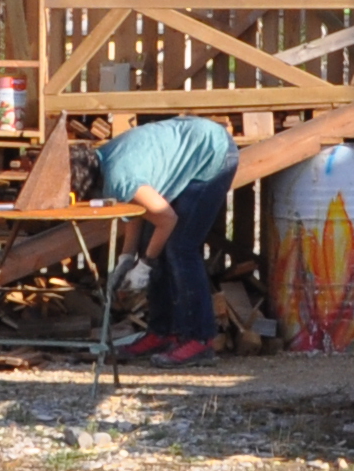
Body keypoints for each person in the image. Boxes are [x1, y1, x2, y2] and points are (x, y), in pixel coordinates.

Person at [85, 113, 240, 364]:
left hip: (211, 153)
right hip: (192, 146)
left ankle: (200, 341)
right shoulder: (104, 159)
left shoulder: (118, 177)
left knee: (181, 248)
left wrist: (144, 266)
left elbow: (166, 218)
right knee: (154, 244)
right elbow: (136, 208)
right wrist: (127, 257)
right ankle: (162, 333)